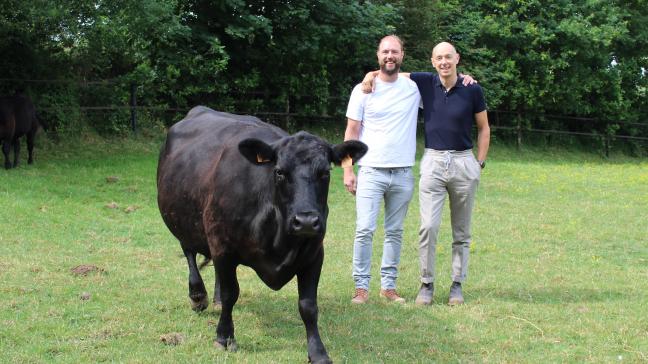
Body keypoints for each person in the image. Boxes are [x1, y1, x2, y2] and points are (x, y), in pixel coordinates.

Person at [362, 41, 490, 306]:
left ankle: (456, 284)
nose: (444, 62)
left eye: (448, 57)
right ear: (433, 62)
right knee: (428, 227)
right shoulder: (424, 83)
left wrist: (479, 163)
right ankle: (426, 284)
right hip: (433, 161)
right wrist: (370, 74)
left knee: (461, 231)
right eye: (439, 58)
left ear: (457, 59)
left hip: (464, 162)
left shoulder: (472, 88)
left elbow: (484, 128)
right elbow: (393, 73)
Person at [343, 35, 419, 304]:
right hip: (371, 171)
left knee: (395, 231)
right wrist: (348, 170)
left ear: (402, 55)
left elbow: (443, 82)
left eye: (395, 52)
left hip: (402, 173)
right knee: (364, 229)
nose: (390, 56)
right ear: (378, 55)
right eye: (385, 52)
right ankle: (361, 288)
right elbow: (351, 132)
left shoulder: (413, 88)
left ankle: (388, 287)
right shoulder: (362, 90)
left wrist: (466, 77)